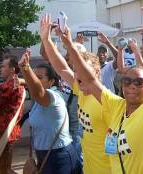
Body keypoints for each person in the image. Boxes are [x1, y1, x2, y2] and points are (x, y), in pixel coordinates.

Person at [58, 0, 143, 173]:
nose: (131, 86)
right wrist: (69, 45)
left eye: (139, 82)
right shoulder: (116, 106)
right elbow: (88, 77)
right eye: (127, 81)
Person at [40, 14, 112, 174]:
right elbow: (61, 67)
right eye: (77, 74)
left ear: (98, 73)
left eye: (86, 74)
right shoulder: (81, 89)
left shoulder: (108, 100)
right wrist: (46, 40)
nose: (79, 79)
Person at [18, 51, 81, 174]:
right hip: (44, 155)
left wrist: (25, 68)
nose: (35, 80)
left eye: (39, 78)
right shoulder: (37, 101)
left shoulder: (54, 97)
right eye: (34, 77)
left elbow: (38, 91)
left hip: (59, 157)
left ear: (52, 81)